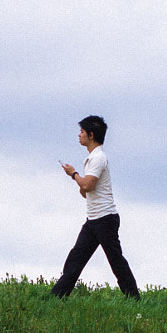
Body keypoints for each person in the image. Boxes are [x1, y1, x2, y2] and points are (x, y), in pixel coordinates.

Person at [52, 115, 140, 300]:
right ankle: (56, 297)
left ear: (91, 135)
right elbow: (87, 190)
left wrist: (73, 174)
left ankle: (134, 298)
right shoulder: (92, 158)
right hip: (94, 219)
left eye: (82, 132)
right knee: (76, 258)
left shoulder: (98, 157)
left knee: (116, 261)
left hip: (105, 219)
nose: (79, 135)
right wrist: (83, 184)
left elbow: (87, 186)